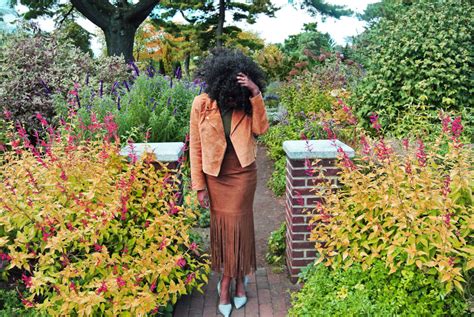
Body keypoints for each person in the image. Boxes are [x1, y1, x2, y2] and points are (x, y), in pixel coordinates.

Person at [189, 48, 269, 317]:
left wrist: (255, 93)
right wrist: (199, 186)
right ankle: (235, 277)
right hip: (215, 176)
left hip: (243, 174)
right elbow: (196, 148)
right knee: (223, 229)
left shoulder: (246, 103)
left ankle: (228, 283)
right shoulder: (201, 104)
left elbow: (261, 129)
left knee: (237, 225)